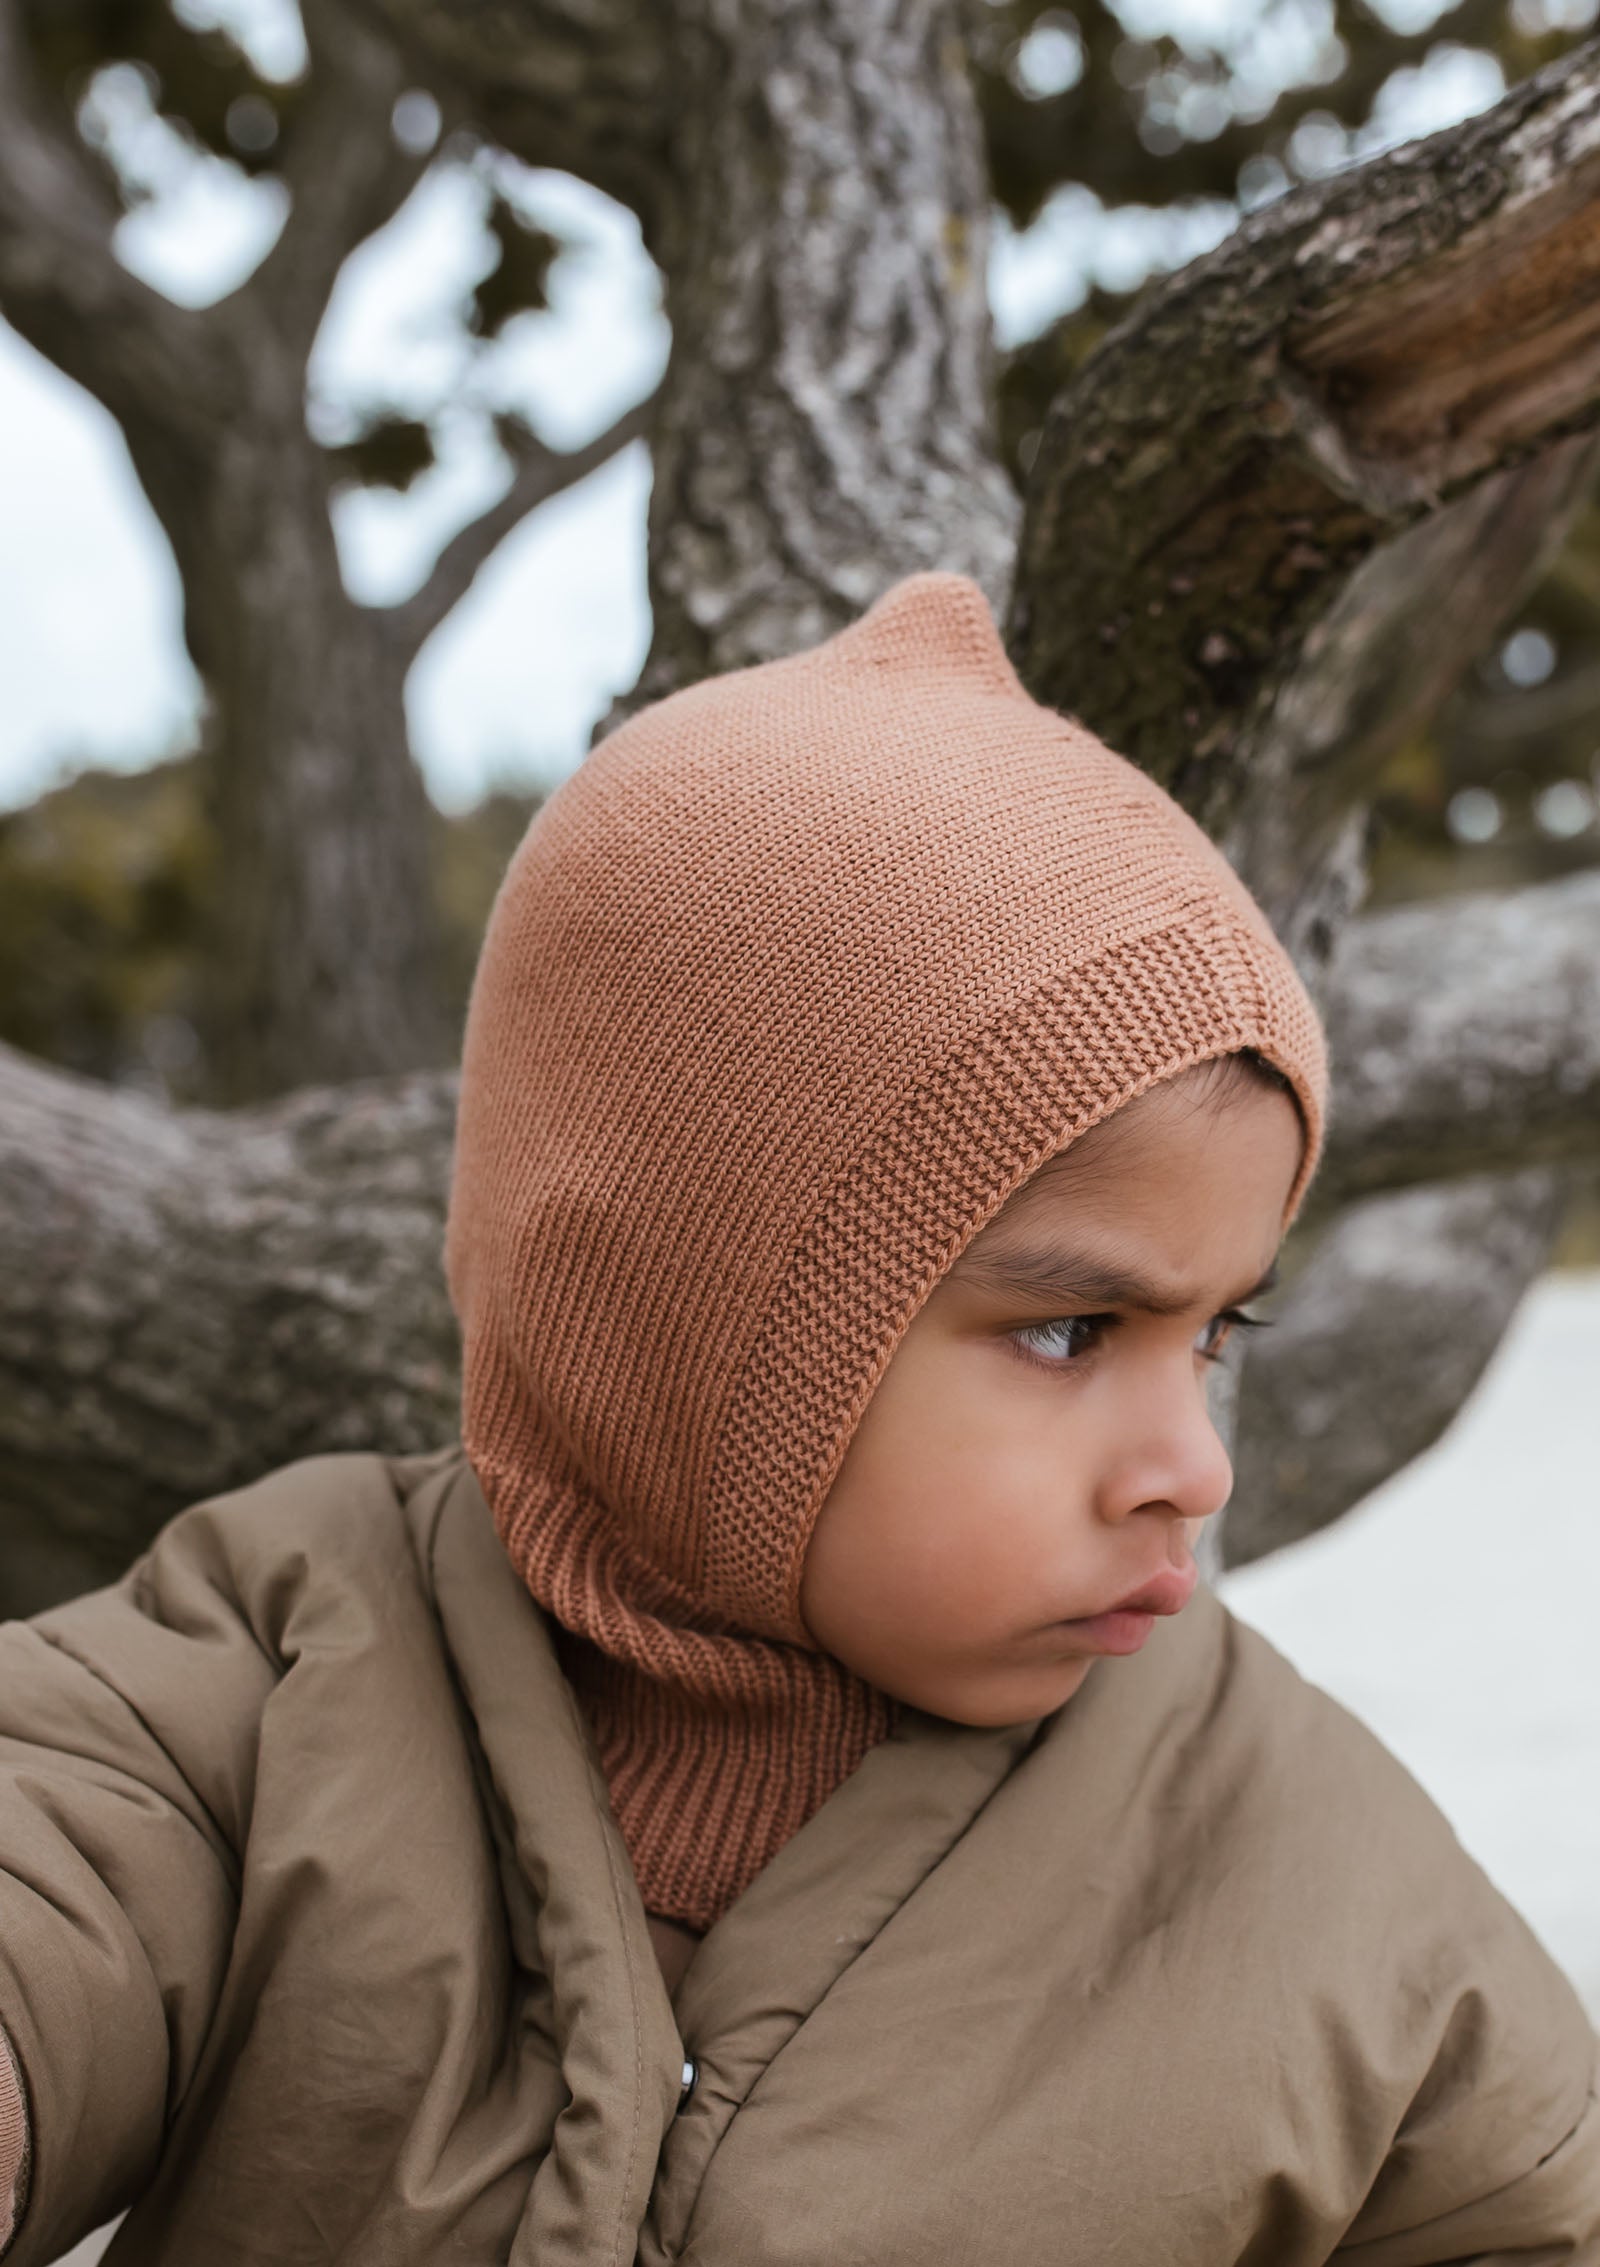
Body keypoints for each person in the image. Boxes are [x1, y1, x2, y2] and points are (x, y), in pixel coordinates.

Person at [0, 574, 1595, 2265]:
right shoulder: (260, 1679)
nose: (1192, 1466)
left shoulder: (1314, 1873)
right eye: (1070, 1330)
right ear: (684, 1315)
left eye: (1216, 1332)